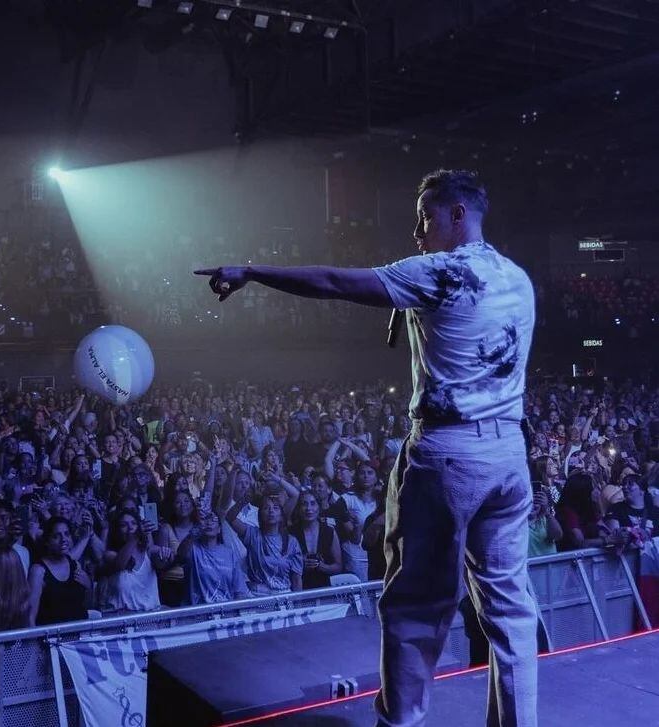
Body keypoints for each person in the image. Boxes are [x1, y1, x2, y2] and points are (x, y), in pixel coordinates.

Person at [196, 169, 540, 726]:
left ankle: (400, 722)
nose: (418, 230)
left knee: (416, 608)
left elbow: (334, 282)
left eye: (427, 217)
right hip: (508, 454)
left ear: (457, 214)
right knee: (510, 609)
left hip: (449, 455)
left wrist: (253, 272)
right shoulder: (519, 280)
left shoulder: (442, 272)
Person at [28, 517, 91, 626]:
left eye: (67, 534)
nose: (64, 539)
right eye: (56, 536)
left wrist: (89, 586)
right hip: (52, 638)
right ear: (47, 541)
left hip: (80, 634)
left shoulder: (76, 565)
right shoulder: (38, 571)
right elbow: (30, 617)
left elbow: (89, 605)